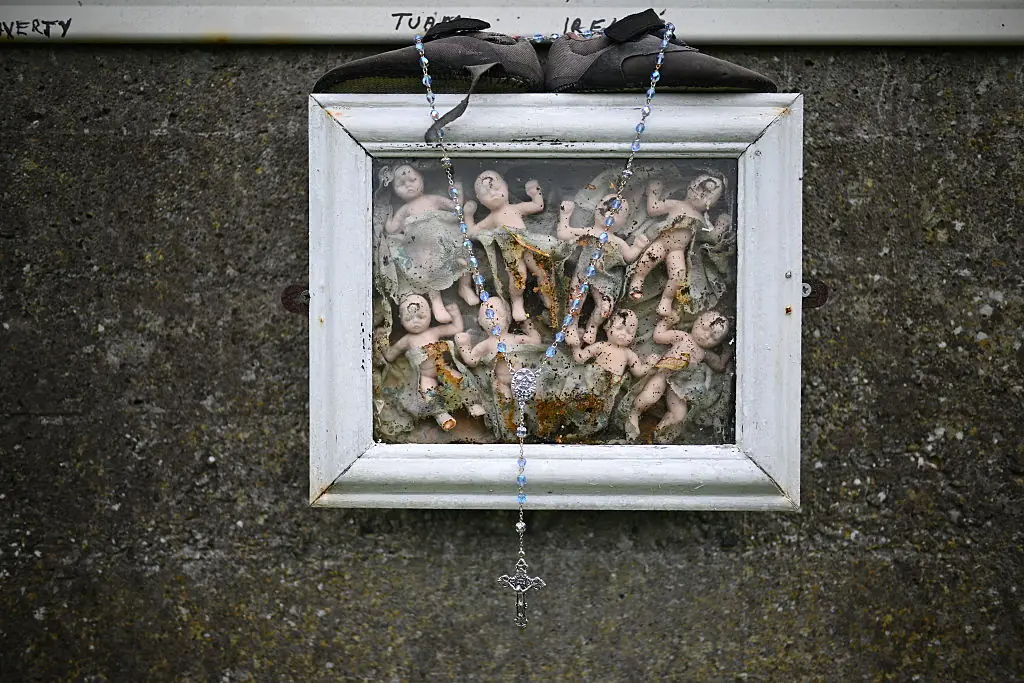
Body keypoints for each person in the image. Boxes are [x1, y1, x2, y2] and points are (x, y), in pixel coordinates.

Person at [627, 171, 726, 316]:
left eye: (707, 195)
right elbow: (653, 208)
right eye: (699, 189)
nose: (700, 195)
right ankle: (637, 281)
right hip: (662, 241)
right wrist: (654, 192)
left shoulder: (702, 220)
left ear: (711, 204)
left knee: (678, 275)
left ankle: (666, 300)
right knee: (647, 259)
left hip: (677, 251)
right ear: (690, 186)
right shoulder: (676, 204)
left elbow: (711, 237)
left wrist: (721, 225)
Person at [626, 308, 732, 439]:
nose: (705, 336)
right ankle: (634, 413)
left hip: (679, 386)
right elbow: (658, 336)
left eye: (713, 338)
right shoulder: (683, 337)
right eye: (704, 328)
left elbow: (719, 366)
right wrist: (666, 322)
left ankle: (660, 433)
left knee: (679, 414)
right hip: (664, 373)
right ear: (697, 320)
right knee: (650, 396)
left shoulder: (705, 354)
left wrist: (727, 353)